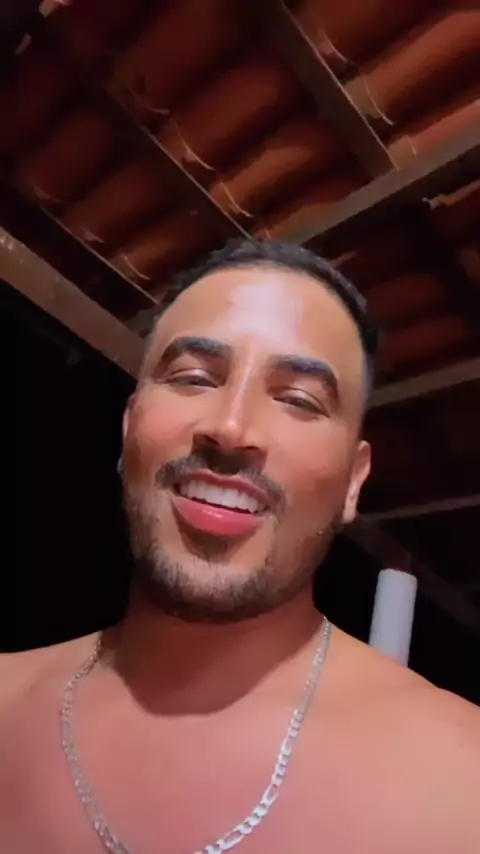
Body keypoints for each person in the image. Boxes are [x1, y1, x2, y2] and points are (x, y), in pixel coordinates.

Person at [1, 239, 479, 854]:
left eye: (299, 400)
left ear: (353, 482)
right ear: (129, 427)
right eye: (193, 378)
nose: (230, 428)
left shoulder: (459, 784)